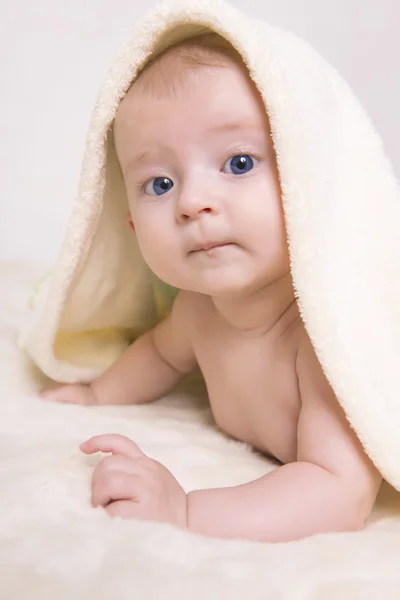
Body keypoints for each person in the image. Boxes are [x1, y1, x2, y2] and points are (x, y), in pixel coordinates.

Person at [40, 33, 382, 543]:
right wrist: (96, 394)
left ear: (310, 179)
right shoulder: (198, 312)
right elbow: (160, 354)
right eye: (160, 183)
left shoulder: (324, 340)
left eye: (238, 163)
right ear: (133, 226)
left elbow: (339, 491)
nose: (192, 201)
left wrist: (185, 511)